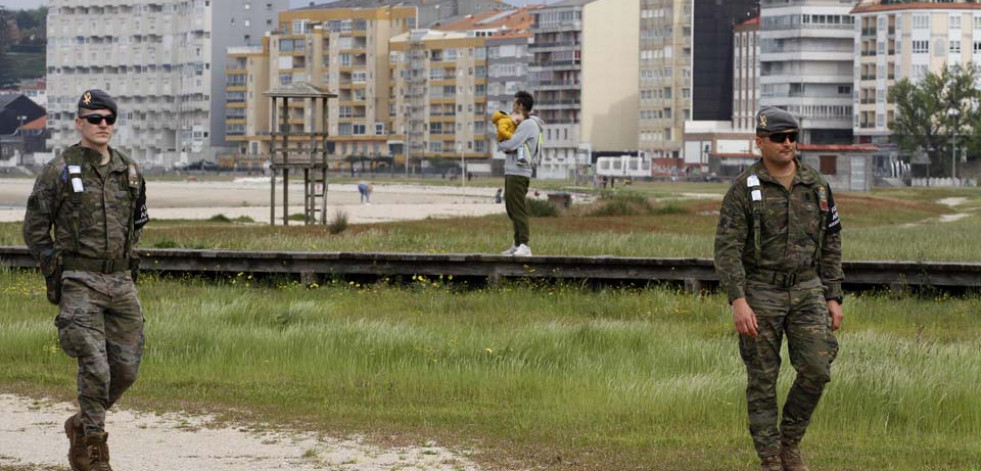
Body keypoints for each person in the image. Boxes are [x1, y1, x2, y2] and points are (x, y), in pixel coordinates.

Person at [23, 89, 149, 471]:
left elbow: (138, 220)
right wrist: (55, 271)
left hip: (120, 282)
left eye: (109, 119)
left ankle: (79, 424)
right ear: (79, 123)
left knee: (125, 369)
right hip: (80, 280)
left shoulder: (128, 170)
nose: (103, 125)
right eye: (94, 119)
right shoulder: (61, 168)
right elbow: (35, 227)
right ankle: (93, 449)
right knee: (94, 364)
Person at [714, 106, 843, 471]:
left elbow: (832, 240)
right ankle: (770, 458)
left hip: (807, 290)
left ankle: (790, 442)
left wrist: (833, 295)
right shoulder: (743, 189)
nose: (788, 144)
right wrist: (738, 300)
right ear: (760, 142)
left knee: (818, 368)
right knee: (763, 378)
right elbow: (727, 249)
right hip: (760, 292)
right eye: (779, 138)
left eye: (792, 137)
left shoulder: (816, 185)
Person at [497, 90, 544, 257]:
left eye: (515, 103)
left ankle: (524, 245)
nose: (512, 106)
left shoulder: (528, 125)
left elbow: (510, 144)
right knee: (511, 207)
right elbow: (508, 144)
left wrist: (503, 144)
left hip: (519, 172)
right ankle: (517, 244)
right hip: (512, 170)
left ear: (521, 106)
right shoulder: (520, 124)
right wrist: (505, 144)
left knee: (518, 208)